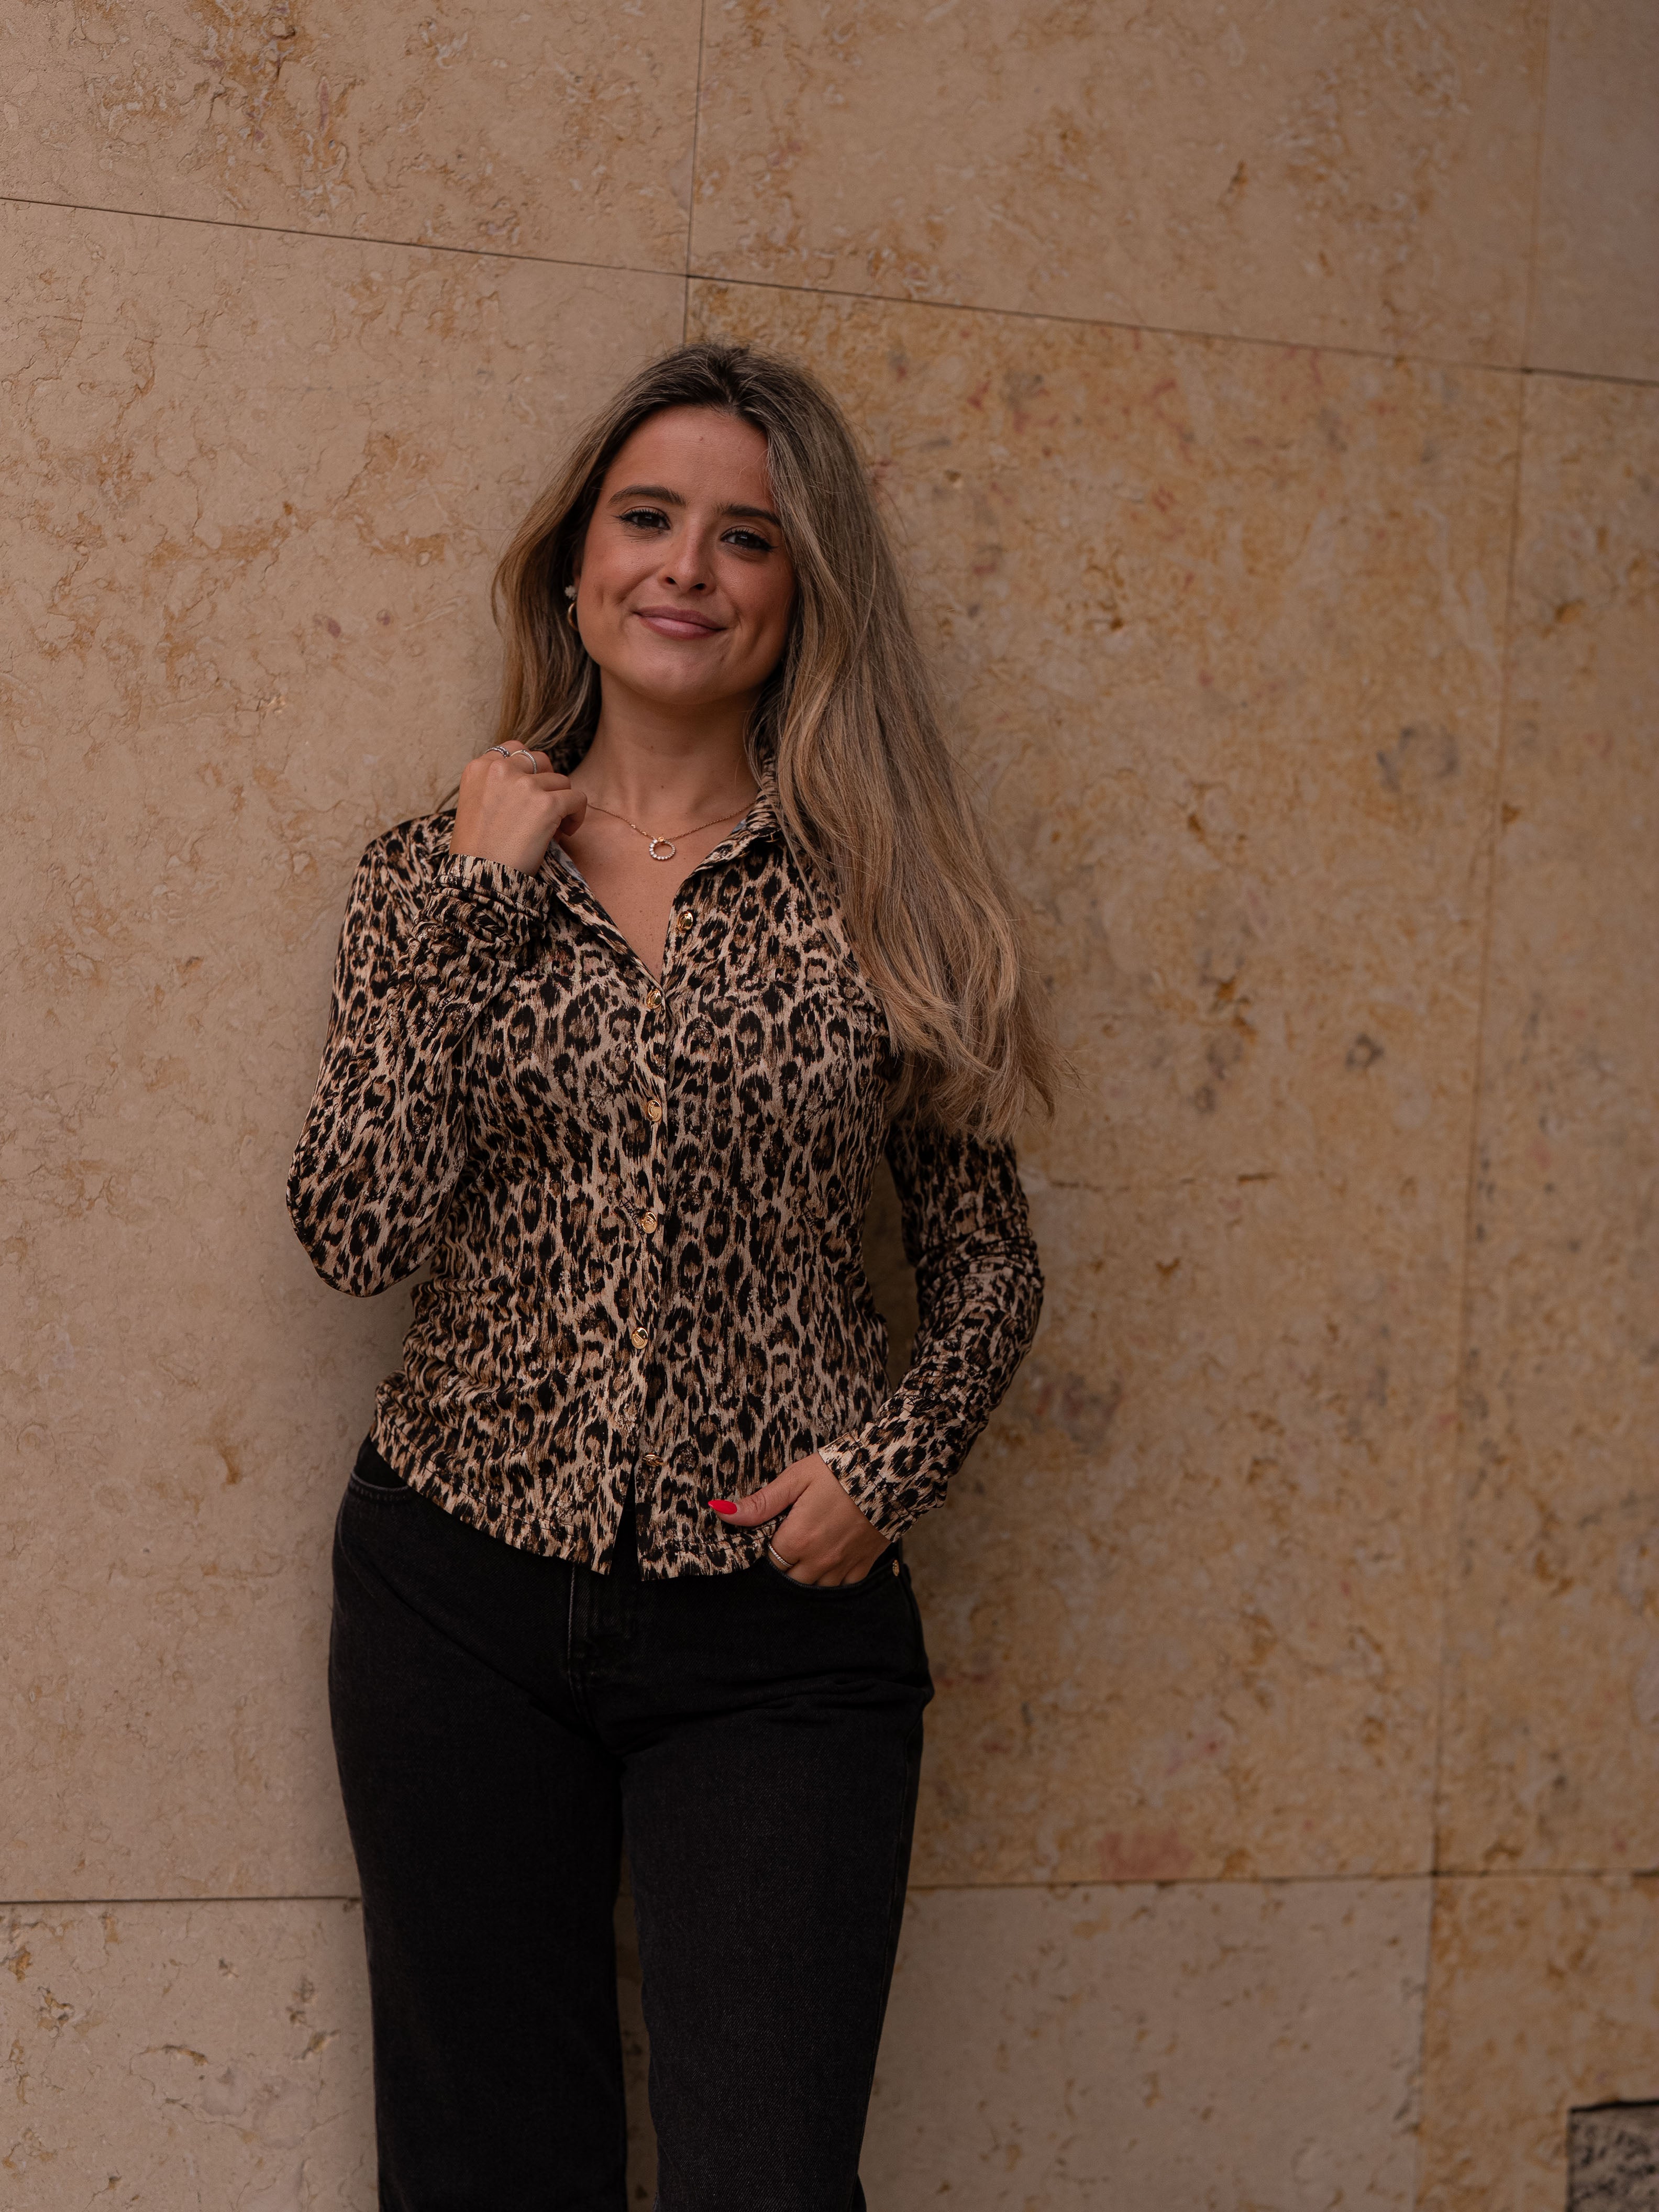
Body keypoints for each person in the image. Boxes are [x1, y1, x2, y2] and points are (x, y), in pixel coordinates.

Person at [286, 341, 1055, 2211]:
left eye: (747, 537)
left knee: (766, 2180)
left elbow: (985, 1257)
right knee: (485, 2174)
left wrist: (887, 1469)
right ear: (578, 563)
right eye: (647, 519)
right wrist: (480, 897)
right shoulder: (426, 875)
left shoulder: (887, 893)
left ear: (802, 595)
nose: (687, 569)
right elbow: (356, 1230)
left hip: (777, 1636)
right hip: (457, 1593)